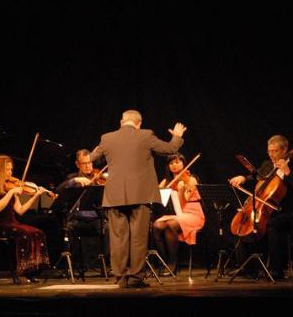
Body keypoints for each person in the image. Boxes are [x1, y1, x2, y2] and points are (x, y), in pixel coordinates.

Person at [90, 110, 186, 288]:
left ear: (121, 121)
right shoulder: (146, 135)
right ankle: (135, 278)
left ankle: (120, 278)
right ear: (139, 123)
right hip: (140, 195)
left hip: (114, 196)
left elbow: (92, 159)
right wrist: (177, 136)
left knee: (118, 238)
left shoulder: (107, 138)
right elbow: (170, 149)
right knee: (138, 238)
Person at [229, 135, 293, 280]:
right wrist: (244, 178)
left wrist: (288, 173)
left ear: (285, 150)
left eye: (275, 151)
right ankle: (248, 268)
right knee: (243, 222)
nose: (271, 155)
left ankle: (277, 270)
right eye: (269, 151)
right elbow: (256, 177)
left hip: (288, 212)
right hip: (268, 209)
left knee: (272, 225)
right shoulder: (267, 165)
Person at [0, 155, 50, 283]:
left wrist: (35, 196)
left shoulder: (9, 186)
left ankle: (35, 270)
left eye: (11, 170)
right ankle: (25, 271)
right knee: (25, 234)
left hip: (11, 223)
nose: (10, 173)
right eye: (7, 170)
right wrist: (11, 193)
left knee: (38, 232)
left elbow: (20, 210)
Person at [153, 153, 205, 276]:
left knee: (171, 224)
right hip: (176, 214)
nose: (174, 165)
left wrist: (181, 191)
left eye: (177, 162)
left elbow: (183, 202)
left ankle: (173, 263)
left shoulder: (191, 179)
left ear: (183, 163)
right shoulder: (166, 181)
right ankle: (164, 261)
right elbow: (155, 197)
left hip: (192, 213)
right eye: (171, 163)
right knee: (157, 225)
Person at [55, 149, 108, 268]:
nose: (88, 166)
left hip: (96, 220)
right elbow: (58, 190)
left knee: (110, 229)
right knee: (67, 228)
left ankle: (108, 264)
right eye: (84, 163)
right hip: (77, 220)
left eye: (90, 162)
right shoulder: (72, 178)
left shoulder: (99, 177)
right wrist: (75, 181)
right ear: (77, 164)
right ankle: (71, 266)